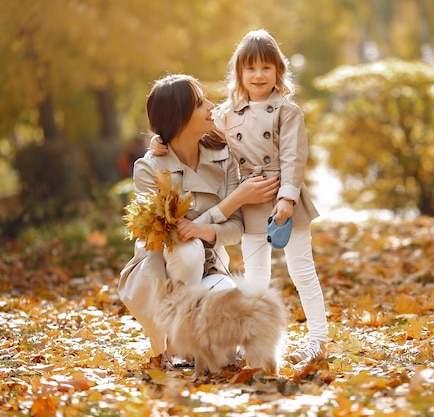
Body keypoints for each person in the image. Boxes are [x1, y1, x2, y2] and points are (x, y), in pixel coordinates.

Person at [151, 29, 328, 364]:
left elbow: (294, 156)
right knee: (255, 279)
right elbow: (191, 127)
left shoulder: (287, 112)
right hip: (250, 205)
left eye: (266, 67)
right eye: (250, 68)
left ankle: (317, 340)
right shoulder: (228, 113)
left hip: (283, 201)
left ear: (278, 71)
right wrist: (157, 143)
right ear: (239, 74)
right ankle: (261, 345)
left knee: (302, 272)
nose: (258, 75)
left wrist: (287, 198)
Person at [119, 73, 279, 362]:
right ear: (178, 118)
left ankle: (191, 344)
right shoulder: (149, 169)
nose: (210, 107)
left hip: (211, 268)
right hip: (162, 282)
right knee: (187, 249)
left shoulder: (223, 156)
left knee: (227, 353)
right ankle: (176, 340)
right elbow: (170, 236)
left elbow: (235, 228)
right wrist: (234, 200)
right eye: (199, 103)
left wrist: (203, 229)